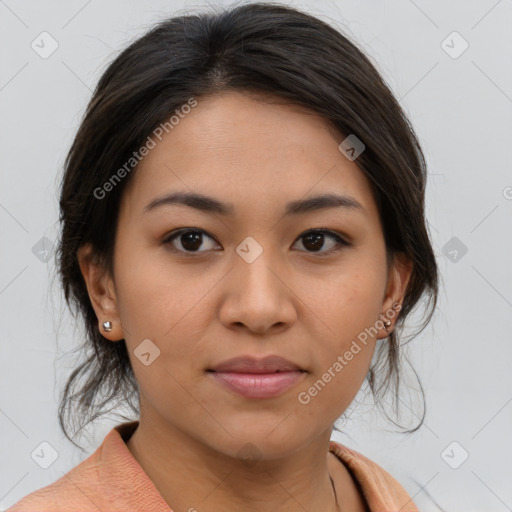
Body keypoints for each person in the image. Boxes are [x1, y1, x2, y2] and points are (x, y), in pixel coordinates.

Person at [7, 2, 438, 511]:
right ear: (104, 287)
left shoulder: (386, 498)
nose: (258, 309)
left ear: (392, 288)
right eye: (192, 240)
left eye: (317, 240)